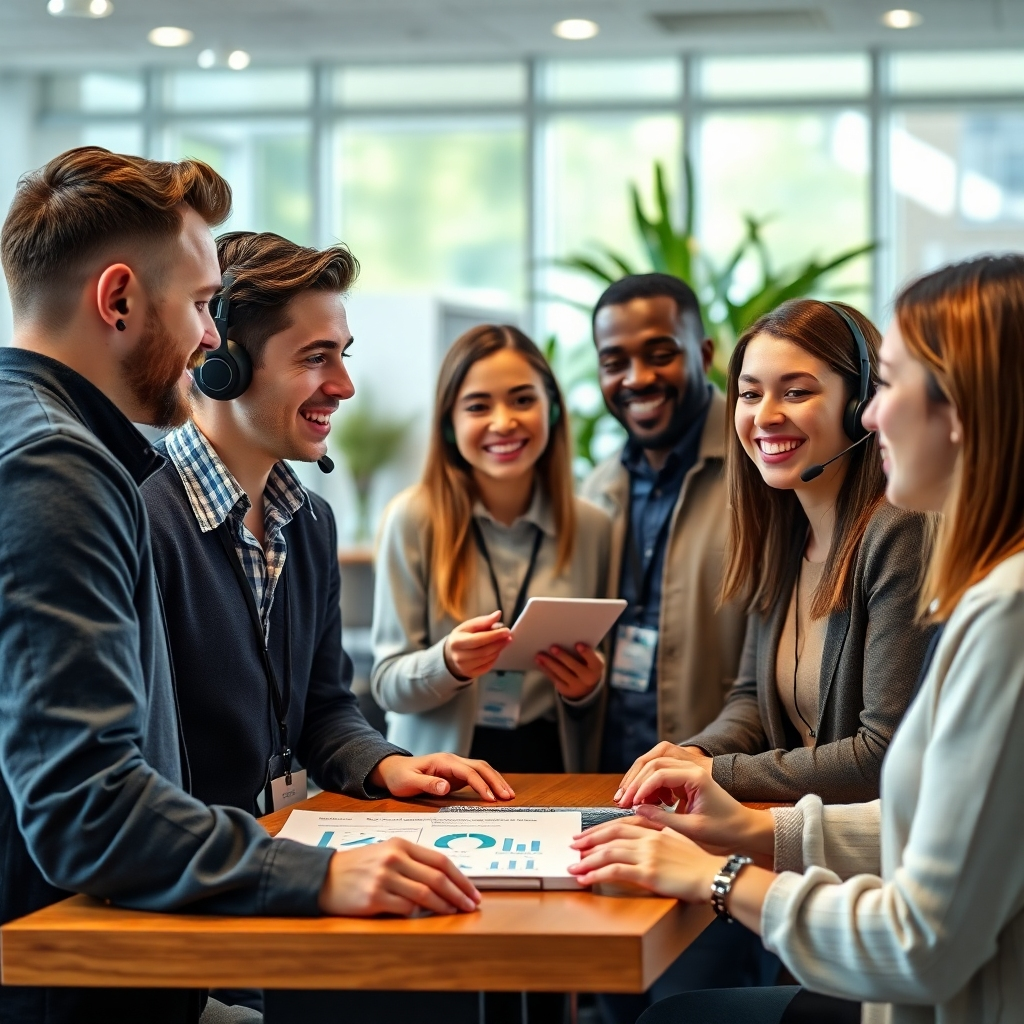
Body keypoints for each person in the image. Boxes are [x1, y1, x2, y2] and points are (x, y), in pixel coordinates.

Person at [0, 148, 481, 1024]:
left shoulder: (53, 446)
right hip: (98, 963)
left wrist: (381, 768)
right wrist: (320, 874)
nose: (207, 339)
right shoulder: (60, 469)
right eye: (197, 304)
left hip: (145, 938)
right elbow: (87, 804)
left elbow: (318, 708)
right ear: (118, 299)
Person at [571, 254, 1024, 1024]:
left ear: (961, 408)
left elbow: (922, 931)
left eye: (888, 386)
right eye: (750, 393)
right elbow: (932, 819)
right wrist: (724, 796)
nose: (875, 416)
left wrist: (721, 872)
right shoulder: (787, 529)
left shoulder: (993, 606)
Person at [141, 230, 515, 1017]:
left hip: (280, 880)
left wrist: (385, 765)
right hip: (187, 916)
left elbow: (323, 708)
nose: (343, 385)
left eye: (342, 355)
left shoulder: (307, 521)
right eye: (317, 357)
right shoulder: (141, 522)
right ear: (221, 361)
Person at [615, 299, 933, 808]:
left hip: (868, 845)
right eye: (749, 394)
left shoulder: (899, 532)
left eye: (796, 392)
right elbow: (751, 701)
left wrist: (716, 772)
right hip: (799, 830)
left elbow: (881, 756)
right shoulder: (783, 531)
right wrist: (692, 754)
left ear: (861, 404)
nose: (765, 416)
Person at [371, 324, 612, 775]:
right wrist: (447, 663)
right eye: (478, 406)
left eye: (522, 400)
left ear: (552, 409)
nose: (503, 422)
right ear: (449, 423)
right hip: (440, 771)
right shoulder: (412, 519)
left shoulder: (594, 528)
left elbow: (603, 686)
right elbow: (386, 685)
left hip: (552, 767)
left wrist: (586, 689)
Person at [579, 273, 746, 776]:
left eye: (659, 354)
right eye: (614, 362)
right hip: (608, 778)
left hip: (721, 779)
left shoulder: (759, 471)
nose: (637, 378)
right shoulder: (596, 490)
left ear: (704, 354)